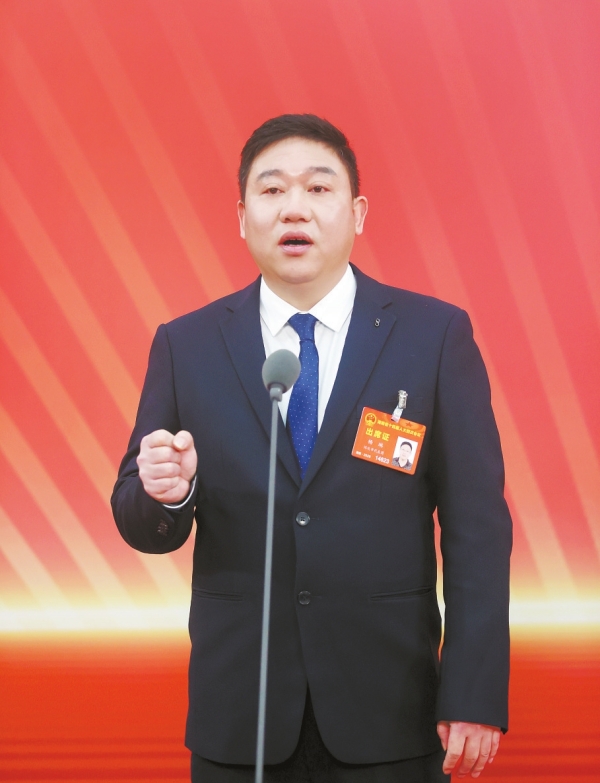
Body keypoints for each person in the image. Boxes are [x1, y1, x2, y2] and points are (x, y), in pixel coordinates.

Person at [112, 114, 512, 782]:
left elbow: (477, 528)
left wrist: (474, 690)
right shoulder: (187, 345)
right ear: (243, 218)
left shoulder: (433, 336)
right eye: (271, 191)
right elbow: (140, 518)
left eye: (319, 189)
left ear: (357, 212)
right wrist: (166, 491)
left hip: (392, 711)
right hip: (241, 715)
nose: (294, 208)